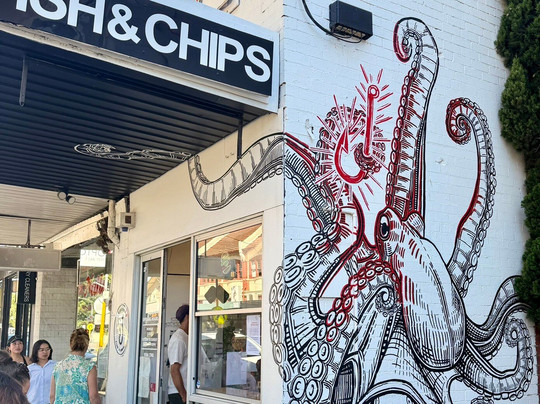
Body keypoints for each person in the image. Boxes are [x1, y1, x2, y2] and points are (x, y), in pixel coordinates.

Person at [50, 329, 101, 404]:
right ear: (86, 346)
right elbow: (93, 397)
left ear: (71, 345)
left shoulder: (58, 366)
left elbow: (52, 396)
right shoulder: (89, 367)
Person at [168, 304, 189, 404]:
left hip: (188, 391)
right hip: (178, 393)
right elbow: (174, 370)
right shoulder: (179, 339)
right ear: (187, 317)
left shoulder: (187, 336)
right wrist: (183, 395)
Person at [28, 340, 56, 404]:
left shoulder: (56, 366)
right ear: (36, 351)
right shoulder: (30, 369)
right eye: (42, 350)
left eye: (47, 349)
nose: (45, 352)